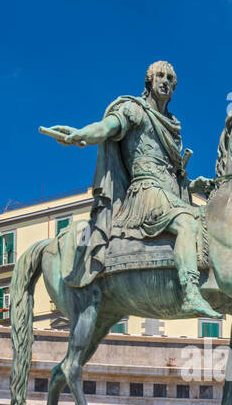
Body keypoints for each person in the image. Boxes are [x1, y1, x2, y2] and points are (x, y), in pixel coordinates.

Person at [42, 60, 220, 319]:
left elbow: (170, 172)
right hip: (145, 191)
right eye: (160, 76)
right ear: (149, 80)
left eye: (171, 79)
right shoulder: (134, 110)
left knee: (209, 225)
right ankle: (191, 292)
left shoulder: (172, 124)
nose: (166, 82)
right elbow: (106, 128)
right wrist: (80, 134)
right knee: (186, 224)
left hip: (168, 194)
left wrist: (192, 185)